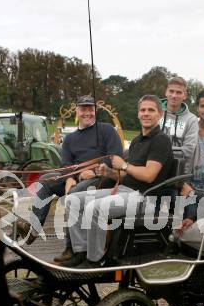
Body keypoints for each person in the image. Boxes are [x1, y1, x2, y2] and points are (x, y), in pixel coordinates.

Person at [59, 94, 173, 268]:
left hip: (146, 197)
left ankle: (95, 260)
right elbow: (127, 175)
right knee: (72, 200)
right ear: (138, 114)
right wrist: (111, 172)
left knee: (93, 209)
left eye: (151, 110)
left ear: (160, 114)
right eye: (143, 110)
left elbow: (149, 175)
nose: (146, 113)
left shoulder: (161, 140)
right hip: (125, 191)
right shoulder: (136, 141)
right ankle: (80, 251)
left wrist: (124, 165)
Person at [16, 95, 123, 259]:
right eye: (83, 109)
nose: (87, 112)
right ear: (77, 111)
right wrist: (68, 179)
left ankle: (71, 248)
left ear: (95, 111)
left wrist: (94, 171)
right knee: (45, 180)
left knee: (74, 194)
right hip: (76, 176)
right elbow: (66, 164)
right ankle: (33, 229)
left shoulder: (107, 130)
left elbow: (115, 157)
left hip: (101, 177)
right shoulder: (70, 139)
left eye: (90, 109)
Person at [159, 77, 198, 174]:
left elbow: (188, 150)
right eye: (171, 91)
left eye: (179, 92)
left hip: (177, 174)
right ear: (166, 92)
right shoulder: (155, 112)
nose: (174, 95)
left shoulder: (191, 119)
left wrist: (156, 152)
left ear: (184, 96)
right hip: (151, 170)